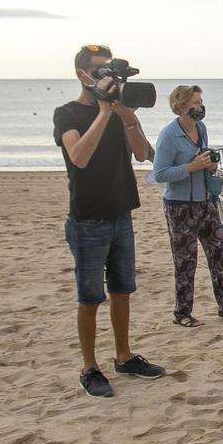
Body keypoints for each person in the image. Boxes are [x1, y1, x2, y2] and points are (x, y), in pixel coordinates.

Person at [53, 44, 165, 398]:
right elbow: (79, 156)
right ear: (82, 74)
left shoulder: (119, 112)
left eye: (109, 71)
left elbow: (143, 154)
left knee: (122, 291)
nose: (106, 77)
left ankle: (123, 356)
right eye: (99, 70)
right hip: (87, 219)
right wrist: (103, 112)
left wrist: (126, 115)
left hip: (121, 213)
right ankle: (89, 367)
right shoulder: (67, 114)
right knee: (90, 297)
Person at [153, 85, 223, 326]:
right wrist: (191, 167)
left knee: (221, 254)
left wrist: (209, 166)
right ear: (180, 107)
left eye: (201, 102)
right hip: (179, 206)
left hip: (205, 201)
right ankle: (182, 313)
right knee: (186, 261)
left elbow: (203, 159)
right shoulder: (169, 135)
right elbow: (159, 173)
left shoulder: (201, 128)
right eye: (195, 103)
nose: (200, 107)